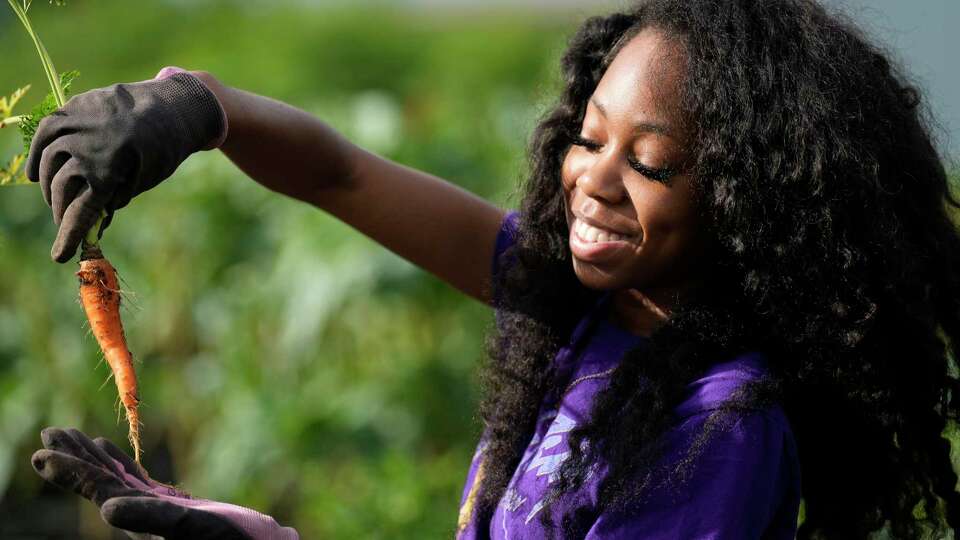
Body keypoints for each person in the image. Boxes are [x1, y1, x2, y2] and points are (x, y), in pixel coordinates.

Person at [25, 0, 960, 538]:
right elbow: (340, 171)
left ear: (754, 206)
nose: (595, 181)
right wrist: (201, 105)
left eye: (650, 163)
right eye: (589, 139)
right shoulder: (585, 307)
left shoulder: (719, 428)